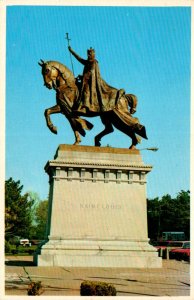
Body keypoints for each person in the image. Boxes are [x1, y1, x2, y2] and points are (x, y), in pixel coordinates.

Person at [68, 46, 125, 114]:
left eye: (90, 54)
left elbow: (91, 72)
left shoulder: (94, 62)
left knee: (86, 91)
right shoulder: (87, 62)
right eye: (88, 54)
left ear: (93, 54)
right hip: (87, 80)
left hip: (92, 82)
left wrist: (83, 76)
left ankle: (85, 107)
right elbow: (79, 58)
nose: (89, 55)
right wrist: (71, 51)